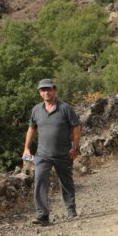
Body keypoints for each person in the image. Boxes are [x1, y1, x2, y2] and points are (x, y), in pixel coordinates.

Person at [23, 78, 81, 226]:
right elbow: (32, 129)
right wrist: (26, 147)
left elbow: (76, 128)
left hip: (64, 153)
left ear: (54, 90)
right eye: (43, 90)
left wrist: (75, 147)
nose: (46, 92)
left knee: (66, 182)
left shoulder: (65, 108)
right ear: (39, 92)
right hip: (43, 154)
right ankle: (42, 214)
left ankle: (70, 208)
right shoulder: (36, 110)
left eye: (48, 89)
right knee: (40, 180)